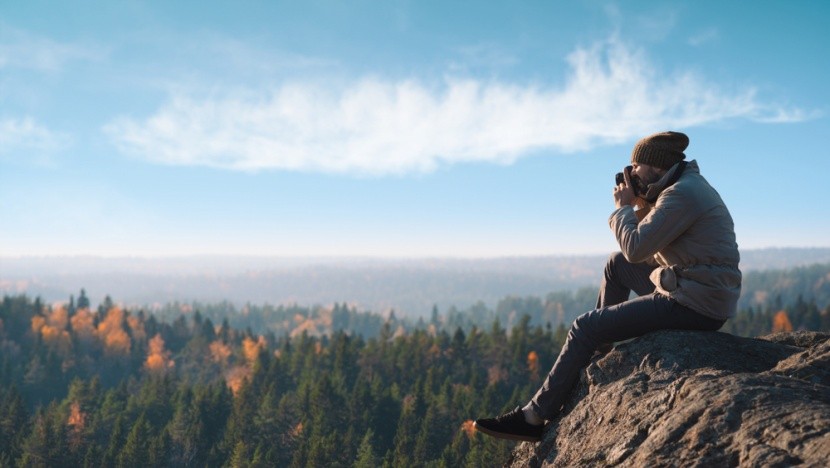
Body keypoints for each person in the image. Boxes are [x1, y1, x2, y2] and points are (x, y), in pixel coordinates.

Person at [474, 131, 741, 442]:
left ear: (654, 166)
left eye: (635, 166)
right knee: (616, 265)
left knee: (584, 326)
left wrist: (623, 209)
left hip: (695, 302)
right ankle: (598, 349)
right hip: (694, 288)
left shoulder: (682, 194)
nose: (631, 174)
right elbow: (639, 251)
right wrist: (641, 202)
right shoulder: (681, 188)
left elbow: (637, 247)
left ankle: (533, 417)